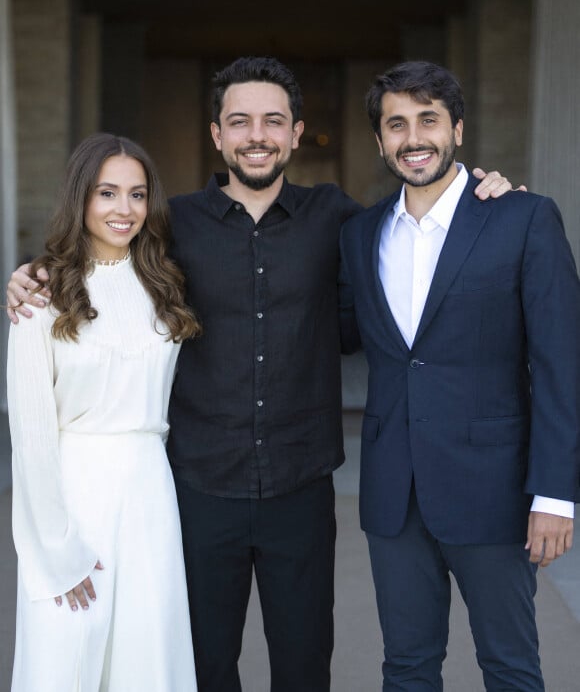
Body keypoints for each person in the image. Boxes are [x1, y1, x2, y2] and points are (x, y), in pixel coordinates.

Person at [6, 57, 515, 692]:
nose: (257, 135)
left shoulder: (340, 218)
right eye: (240, 121)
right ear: (217, 135)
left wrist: (486, 191)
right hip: (197, 489)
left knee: (303, 667)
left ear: (297, 134)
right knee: (202, 664)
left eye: (274, 121)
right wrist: (33, 273)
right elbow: (103, 248)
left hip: (300, 486)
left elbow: (425, 227)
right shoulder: (173, 224)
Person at [339, 60, 580, 691]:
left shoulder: (522, 218)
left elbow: (561, 362)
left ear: (458, 131)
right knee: (407, 668)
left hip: (494, 492)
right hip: (394, 494)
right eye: (397, 124)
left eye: (428, 120)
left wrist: (554, 494)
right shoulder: (361, 234)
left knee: (510, 667)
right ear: (380, 140)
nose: (413, 137)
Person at [6, 133, 200, 691]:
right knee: (66, 657)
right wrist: (54, 546)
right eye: (107, 193)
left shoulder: (165, 282)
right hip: (73, 493)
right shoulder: (42, 292)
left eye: (137, 195)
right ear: (80, 198)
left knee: (147, 658)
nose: (124, 210)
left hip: (148, 493)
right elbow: (32, 431)